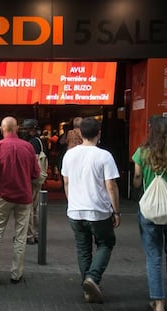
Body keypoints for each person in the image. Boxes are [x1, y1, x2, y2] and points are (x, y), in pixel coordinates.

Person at [61, 117, 120, 304]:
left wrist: (73, 202)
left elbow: (66, 182)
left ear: (80, 133)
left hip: (75, 211)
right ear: (99, 133)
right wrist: (116, 211)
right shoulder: (104, 156)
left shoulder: (69, 155)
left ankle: (88, 288)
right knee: (106, 242)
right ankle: (92, 278)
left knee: (83, 248)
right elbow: (110, 185)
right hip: (98, 211)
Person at [0, 116, 40, 286]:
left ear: (2, 129)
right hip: (24, 196)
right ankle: (16, 274)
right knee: (20, 235)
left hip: (3, 195)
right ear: (17, 128)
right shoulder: (28, 147)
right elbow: (36, 173)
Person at [132, 115, 167, 311]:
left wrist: (139, 183)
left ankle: (158, 301)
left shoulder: (142, 152)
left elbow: (137, 178)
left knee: (154, 256)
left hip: (149, 209)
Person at [21, 119, 47, 245]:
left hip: (32, 178)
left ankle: (29, 235)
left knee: (29, 207)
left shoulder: (31, 143)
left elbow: (31, 163)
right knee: (36, 207)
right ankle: (36, 233)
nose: (24, 131)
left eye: (26, 129)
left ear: (31, 129)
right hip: (39, 179)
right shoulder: (40, 141)